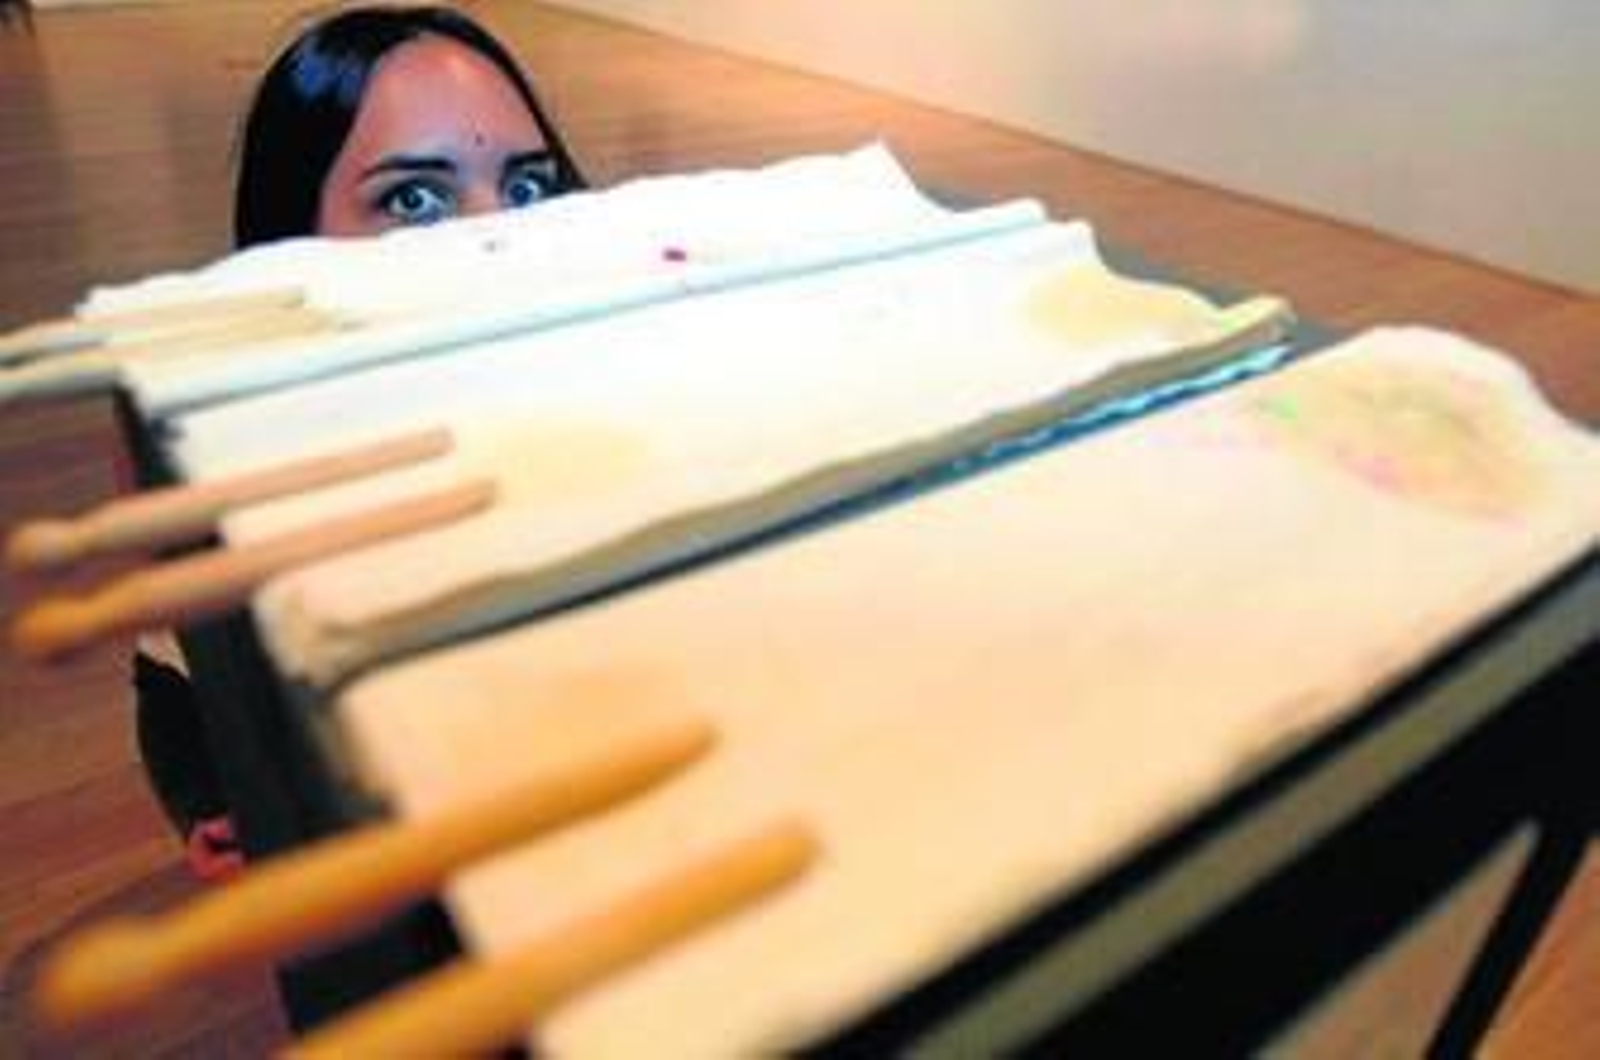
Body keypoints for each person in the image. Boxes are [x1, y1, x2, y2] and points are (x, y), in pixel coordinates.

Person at [137, 3, 585, 880]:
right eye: (415, 200)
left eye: (528, 189)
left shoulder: (626, 397)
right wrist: (210, 795)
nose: (500, 240)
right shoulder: (244, 477)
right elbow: (170, 674)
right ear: (291, 241)